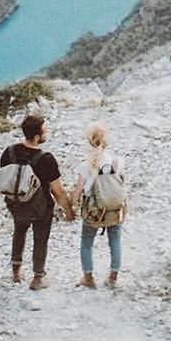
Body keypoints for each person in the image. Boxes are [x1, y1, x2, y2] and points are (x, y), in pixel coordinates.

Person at [0, 114, 75, 290]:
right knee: (40, 239)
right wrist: (68, 210)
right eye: (45, 130)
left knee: (19, 231)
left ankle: (16, 272)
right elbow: (58, 191)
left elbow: (5, 178)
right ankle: (38, 278)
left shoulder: (9, 152)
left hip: (15, 203)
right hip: (41, 208)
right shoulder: (46, 158)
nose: (47, 133)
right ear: (37, 137)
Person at [70, 122, 125, 288]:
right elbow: (122, 184)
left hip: (93, 211)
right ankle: (113, 278)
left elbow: (78, 191)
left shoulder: (85, 166)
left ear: (89, 141)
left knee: (86, 243)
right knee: (115, 241)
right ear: (107, 141)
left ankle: (88, 278)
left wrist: (71, 205)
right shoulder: (117, 161)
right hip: (114, 210)